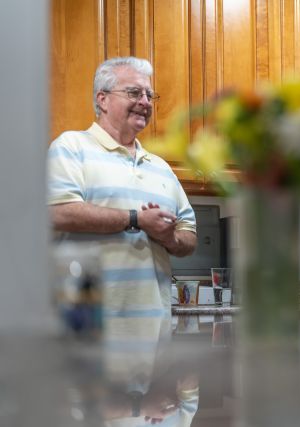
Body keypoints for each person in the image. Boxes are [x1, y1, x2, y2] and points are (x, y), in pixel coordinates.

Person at [47, 56, 197, 314]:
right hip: (88, 327)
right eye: (134, 92)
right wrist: (137, 219)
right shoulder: (71, 147)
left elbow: (190, 236)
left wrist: (169, 237)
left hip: (154, 333)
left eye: (150, 95)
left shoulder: (160, 167)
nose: (145, 102)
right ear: (102, 99)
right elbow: (59, 213)